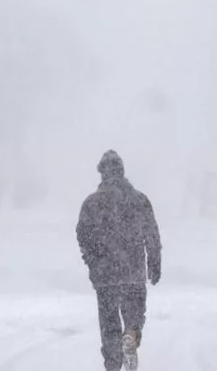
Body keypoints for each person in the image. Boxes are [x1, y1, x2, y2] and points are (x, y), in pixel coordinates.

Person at [77, 150, 162, 371]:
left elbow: (83, 235)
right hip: (133, 271)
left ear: (101, 173)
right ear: (122, 172)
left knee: (109, 324)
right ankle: (131, 335)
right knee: (134, 314)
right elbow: (151, 233)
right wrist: (154, 262)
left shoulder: (91, 203)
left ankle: (113, 365)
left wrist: (93, 260)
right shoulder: (139, 200)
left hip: (105, 275)